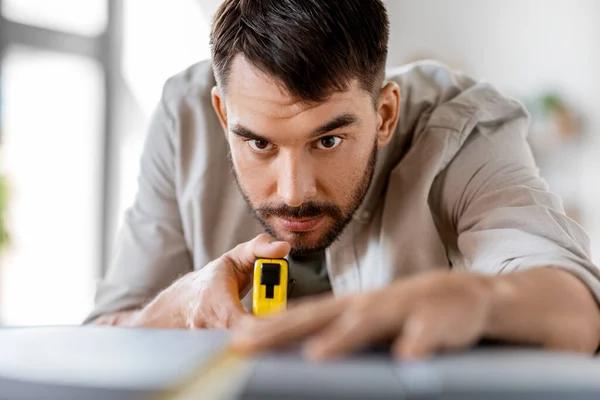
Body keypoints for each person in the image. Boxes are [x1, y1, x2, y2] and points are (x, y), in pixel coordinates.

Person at [86, 0, 600, 360]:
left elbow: (579, 311)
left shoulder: (462, 122)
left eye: (328, 140)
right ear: (223, 115)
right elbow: (100, 340)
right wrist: (184, 302)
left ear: (384, 114)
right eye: (259, 143)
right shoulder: (185, 117)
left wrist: (476, 300)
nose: (292, 193)